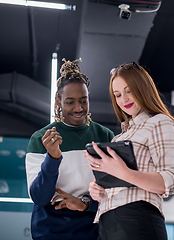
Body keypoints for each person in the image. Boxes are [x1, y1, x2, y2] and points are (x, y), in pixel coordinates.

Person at [84, 62, 174, 240]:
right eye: (118, 95)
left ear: (143, 88)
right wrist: (97, 189)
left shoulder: (159, 122)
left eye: (129, 91)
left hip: (137, 218)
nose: (124, 100)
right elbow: (114, 183)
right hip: (107, 223)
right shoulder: (117, 139)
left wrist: (123, 172)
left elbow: (170, 181)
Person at [25, 58, 114, 240]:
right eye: (70, 102)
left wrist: (84, 204)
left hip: (92, 230)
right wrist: (53, 157)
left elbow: (116, 193)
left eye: (83, 100)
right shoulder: (40, 139)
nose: (78, 108)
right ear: (58, 101)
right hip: (50, 231)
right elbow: (40, 197)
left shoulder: (105, 136)